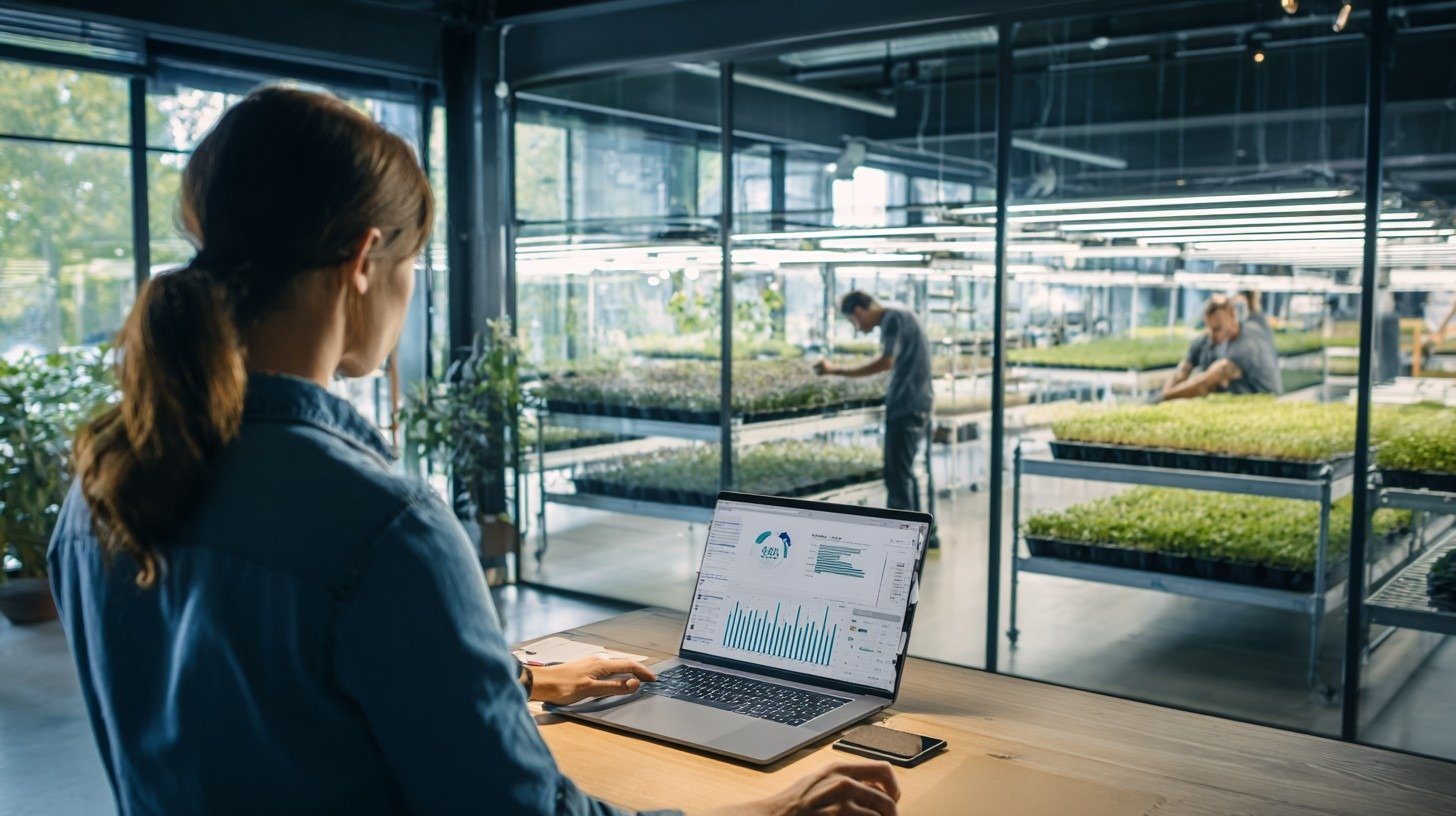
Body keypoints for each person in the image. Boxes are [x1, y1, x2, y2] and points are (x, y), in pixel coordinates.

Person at [51, 87, 900, 816]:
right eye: (413, 262)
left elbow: (272, 704)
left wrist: (511, 680)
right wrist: (767, 808)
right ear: (362, 259)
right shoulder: (382, 526)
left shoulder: (101, 488)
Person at [814, 292, 934, 521]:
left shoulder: (892, 318)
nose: (858, 328)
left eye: (854, 322)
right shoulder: (901, 312)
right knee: (905, 473)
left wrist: (836, 370)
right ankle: (920, 536)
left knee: (897, 476)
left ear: (859, 311)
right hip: (916, 402)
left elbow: (885, 362)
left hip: (907, 405)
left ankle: (900, 540)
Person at [1161, 295, 1282, 401]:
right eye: (1209, 327)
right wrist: (1168, 388)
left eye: (1217, 328)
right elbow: (1183, 370)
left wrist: (1166, 395)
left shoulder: (1246, 346)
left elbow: (1203, 384)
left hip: (1260, 402)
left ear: (1232, 316)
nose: (1212, 334)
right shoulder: (1206, 341)